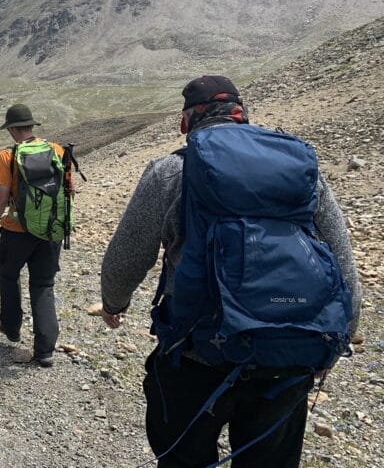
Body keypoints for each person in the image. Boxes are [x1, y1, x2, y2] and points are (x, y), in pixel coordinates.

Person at [99, 75, 363, 468]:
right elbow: (342, 260)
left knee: (182, 459)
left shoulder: (171, 171)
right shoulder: (297, 168)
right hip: (288, 352)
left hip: (195, 354)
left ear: (187, 121)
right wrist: (338, 338)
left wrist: (113, 303)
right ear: (242, 114)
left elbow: (127, 256)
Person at [0, 104, 72, 367]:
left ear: (12, 129)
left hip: (16, 231)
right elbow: (68, 189)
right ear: (32, 126)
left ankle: (11, 327)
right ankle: (45, 351)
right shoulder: (57, 151)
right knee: (43, 284)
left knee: (9, 276)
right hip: (50, 230)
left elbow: (2, 196)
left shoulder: (7, 156)